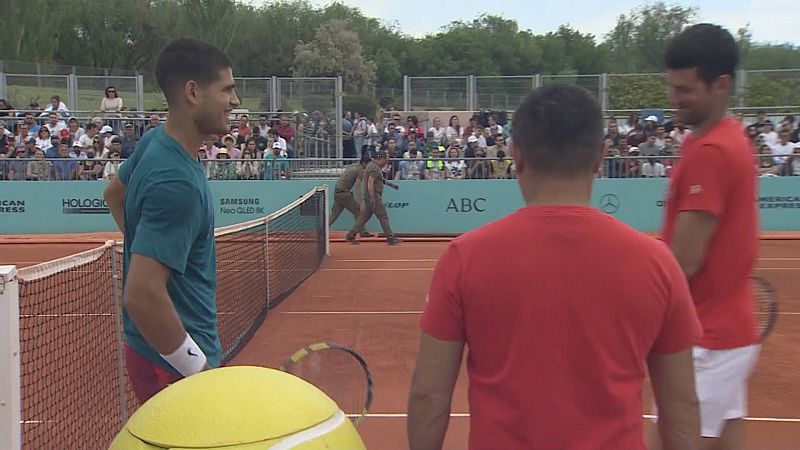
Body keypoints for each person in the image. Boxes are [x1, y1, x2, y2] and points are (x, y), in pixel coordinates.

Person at [407, 84, 702, 450]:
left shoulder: (464, 258)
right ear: (600, 156)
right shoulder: (658, 263)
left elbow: (428, 394)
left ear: (517, 155)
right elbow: (681, 406)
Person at [102, 38, 240, 405]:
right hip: (173, 364)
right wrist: (198, 372)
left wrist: (148, 249)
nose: (235, 101)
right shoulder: (176, 182)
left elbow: (113, 194)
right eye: (227, 89)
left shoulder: (153, 142)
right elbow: (142, 296)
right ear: (193, 92)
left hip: (153, 351)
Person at [657, 23, 761, 449]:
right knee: (726, 438)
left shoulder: (711, 152)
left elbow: (684, 261)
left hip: (708, 338)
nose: (674, 100)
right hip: (727, 332)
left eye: (684, 90)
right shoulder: (720, 139)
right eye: (672, 88)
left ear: (721, 85)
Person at [345, 150, 400, 245]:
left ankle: (351, 235)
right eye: (385, 160)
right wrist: (373, 198)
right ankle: (391, 238)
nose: (386, 162)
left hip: (369, 197)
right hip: (374, 196)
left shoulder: (372, 166)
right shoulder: (374, 168)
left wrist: (391, 184)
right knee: (383, 217)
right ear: (382, 159)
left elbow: (379, 179)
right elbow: (370, 183)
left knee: (363, 219)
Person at [329, 153, 373, 237]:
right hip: (344, 194)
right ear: (364, 163)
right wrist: (361, 203)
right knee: (358, 211)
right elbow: (357, 186)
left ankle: (321, 231)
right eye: (368, 164)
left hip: (337, 192)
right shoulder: (360, 170)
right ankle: (362, 231)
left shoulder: (354, 166)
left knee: (334, 214)